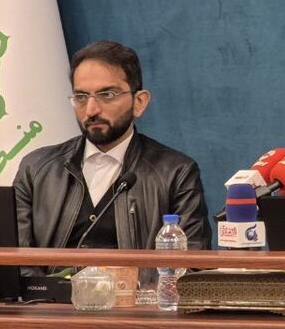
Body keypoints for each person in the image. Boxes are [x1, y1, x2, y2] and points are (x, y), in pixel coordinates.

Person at [14, 41, 208, 252]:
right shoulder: (36, 169)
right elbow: (14, 257)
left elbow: (191, 263)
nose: (91, 110)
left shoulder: (175, 173)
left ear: (139, 102)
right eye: (81, 97)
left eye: (107, 95)